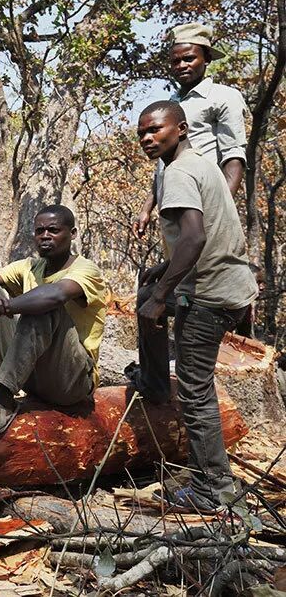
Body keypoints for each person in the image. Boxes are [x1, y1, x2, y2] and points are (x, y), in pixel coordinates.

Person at [131, 101, 258, 511]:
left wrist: (162, 296)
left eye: (156, 129)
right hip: (229, 283)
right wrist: (164, 270)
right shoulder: (201, 163)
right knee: (144, 296)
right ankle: (153, 382)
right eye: (142, 133)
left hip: (210, 295)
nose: (148, 138)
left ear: (182, 129)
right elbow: (209, 231)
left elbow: (195, 238)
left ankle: (213, 488)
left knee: (194, 388)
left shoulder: (179, 173)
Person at [0, 205, 108, 437]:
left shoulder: (86, 269)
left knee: (44, 305)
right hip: (31, 376)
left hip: (71, 382)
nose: (45, 236)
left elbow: (55, 295)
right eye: (40, 231)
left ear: (72, 233)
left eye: (54, 230)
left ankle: (3, 399)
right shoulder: (29, 266)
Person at [134, 22, 248, 237]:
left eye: (189, 58)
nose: (181, 65)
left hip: (204, 204)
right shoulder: (171, 104)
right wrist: (147, 208)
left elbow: (233, 156)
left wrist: (219, 211)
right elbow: (162, 164)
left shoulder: (224, 96)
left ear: (207, 59)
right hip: (173, 202)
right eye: (175, 61)